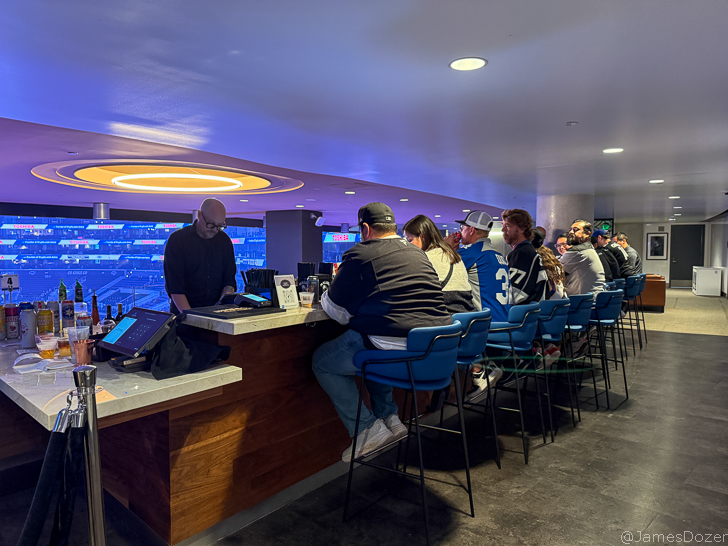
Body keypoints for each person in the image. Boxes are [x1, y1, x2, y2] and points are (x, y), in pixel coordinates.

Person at [312, 203, 451, 462]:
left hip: (397, 347)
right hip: (434, 349)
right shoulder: (417, 253)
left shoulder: (361, 254)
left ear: (365, 229)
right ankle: (390, 418)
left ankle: (366, 429)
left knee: (323, 362)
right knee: (377, 341)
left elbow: (336, 311)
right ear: (394, 227)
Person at [163, 198, 237, 314]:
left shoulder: (224, 241)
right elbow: (175, 287)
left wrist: (221, 306)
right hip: (183, 317)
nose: (215, 230)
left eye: (220, 226)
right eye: (211, 224)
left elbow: (229, 280)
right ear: (199, 215)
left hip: (216, 315)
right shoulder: (178, 240)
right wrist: (193, 319)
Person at [445, 211, 510, 322]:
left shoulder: (471, 252)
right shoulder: (497, 255)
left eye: (462, 227)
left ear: (471, 230)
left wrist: (446, 247)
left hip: (487, 325)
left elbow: (441, 268)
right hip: (505, 322)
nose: (460, 231)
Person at [403, 215, 475, 314]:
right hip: (467, 314)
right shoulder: (454, 255)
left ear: (422, 237)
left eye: (410, 240)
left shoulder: (424, 258)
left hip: (446, 316)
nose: (408, 245)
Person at [501, 209, 548, 304]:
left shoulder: (523, 253)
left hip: (523, 314)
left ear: (522, 229)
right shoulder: (526, 250)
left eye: (507, 226)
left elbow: (517, 294)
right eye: (503, 226)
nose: (503, 230)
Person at [561, 220, 606, 295]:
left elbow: (554, 270)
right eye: (570, 230)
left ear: (587, 234)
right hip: (593, 298)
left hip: (583, 302)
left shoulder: (579, 251)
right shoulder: (588, 248)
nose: (571, 232)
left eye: (576, 230)